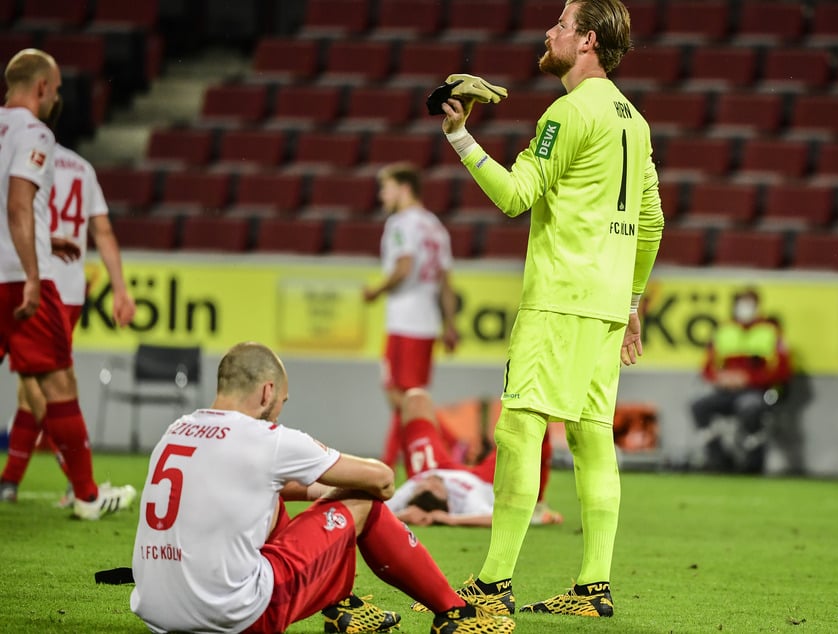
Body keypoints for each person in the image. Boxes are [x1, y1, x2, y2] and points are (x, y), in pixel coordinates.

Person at [437, 0, 664, 618]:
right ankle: (593, 586)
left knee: (518, 428)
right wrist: (633, 300)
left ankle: (491, 585)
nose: (549, 32)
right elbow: (652, 221)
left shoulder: (567, 112)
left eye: (561, 25)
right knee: (593, 439)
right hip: (606, 306)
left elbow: (516, 196)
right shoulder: (634, 122)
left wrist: (459, 135)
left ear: (586, 41)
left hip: (559, 301)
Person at [129, 342, 515, 634]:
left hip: (158, 614)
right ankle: (454, 615)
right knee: (362, 500)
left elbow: (252, 482)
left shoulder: (177, 430)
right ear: (266, 393)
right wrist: (339, 489)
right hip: (236, 617)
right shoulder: (267, 439)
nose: (279, 410)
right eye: (280, 401)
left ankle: (344, 607)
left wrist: (316, 491)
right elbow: (381, 479)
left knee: (275, 498)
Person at [0, 48, 135, 519]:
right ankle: (86, 493)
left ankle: (13, 483)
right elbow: (19, 206)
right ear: (41, 88)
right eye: (55, 89)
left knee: (31, 387)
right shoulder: (40, 136)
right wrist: (35, 268)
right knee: (55, 382)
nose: (56, 96)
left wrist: (45, 236)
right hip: (20, 278)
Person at [363, 162, 458, 469]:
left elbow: (404, 265)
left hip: (404, 320)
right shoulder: (435, 226)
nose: (382, 195)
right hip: (427, 323)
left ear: (404, 189)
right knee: (404, 397)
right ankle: (402, 458)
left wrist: (376, 291)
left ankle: (399, 460)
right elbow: (446, 281)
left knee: (400, 398)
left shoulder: (401, 224)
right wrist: (450, 325)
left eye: (386, 187)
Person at [386, 388, 562, 528]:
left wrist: (402, 515)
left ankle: (456, 445)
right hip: (485, 480)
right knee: (531, 423)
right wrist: (449, 520)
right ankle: (537, 503)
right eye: (436, 489)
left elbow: (368, 513)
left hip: (433, 467)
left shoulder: (411, 491)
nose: (430, 482)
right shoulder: (468, 499)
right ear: (449, 501)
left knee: (415, 399)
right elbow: (497, 519)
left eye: (422, 486)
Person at [690, 288, 791, 474]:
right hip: (727, 391)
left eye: (749, 303)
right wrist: (721, 377)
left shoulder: (770, 331)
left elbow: (783, 371)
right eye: (742, 303)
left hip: (755, 390)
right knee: (699, 407)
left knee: (750, 408)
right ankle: (718, 458)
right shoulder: (724, 330)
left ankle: (752, 464)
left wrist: (748, 379)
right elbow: (708, 368)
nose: (745, 308)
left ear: (757, 306)